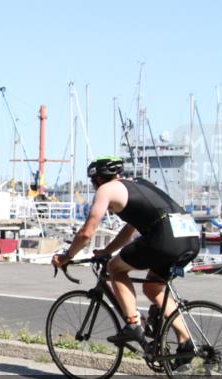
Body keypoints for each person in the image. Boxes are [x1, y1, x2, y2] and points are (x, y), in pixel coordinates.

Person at [51, 156, 201, 366]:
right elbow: (130, 229)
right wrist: (107, 249)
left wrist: (67, 256)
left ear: (97, 180)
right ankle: (186, 344)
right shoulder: (137, 184)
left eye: (93, 182)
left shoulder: (107, 189)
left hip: (165, 237)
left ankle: (132, 324)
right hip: (190, 235)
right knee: (153, 288)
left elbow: (87, 232)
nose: (94, 187)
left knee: (115, 269)